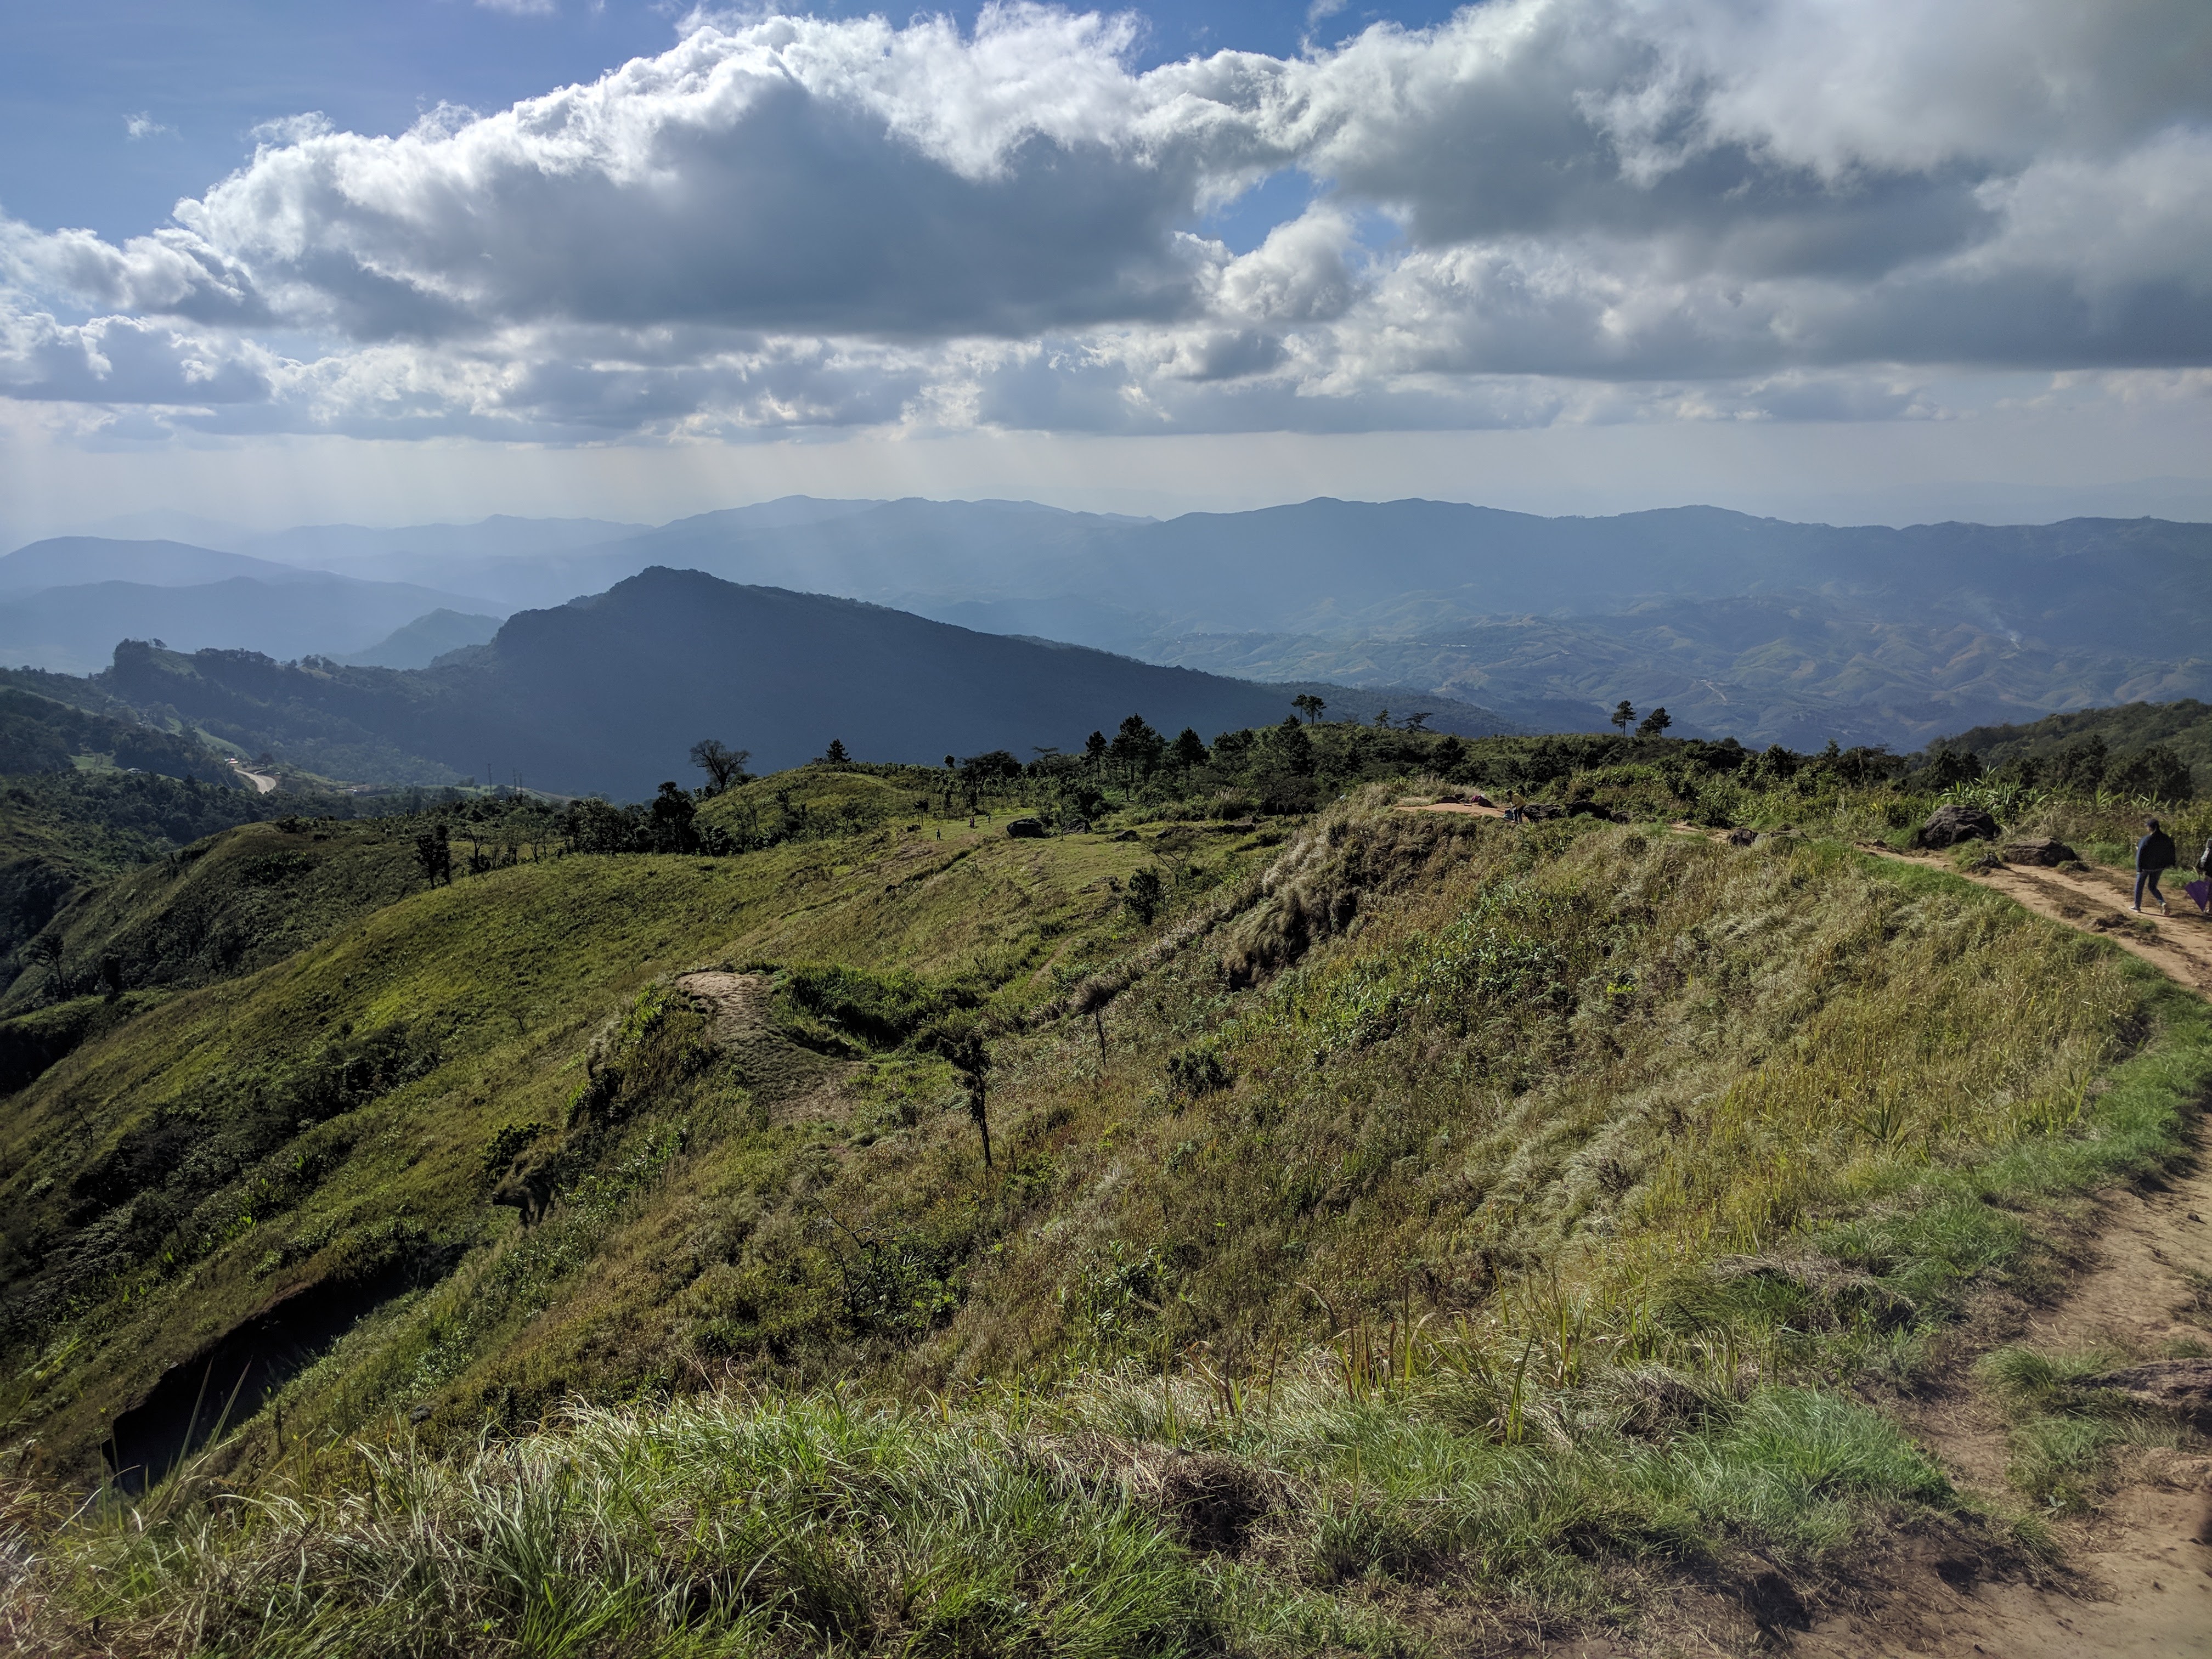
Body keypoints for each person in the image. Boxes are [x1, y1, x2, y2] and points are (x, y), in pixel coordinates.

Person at [2134, 816, 2177, 912]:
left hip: (2145, 868)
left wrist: (2139, 868)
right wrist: (2172, 863)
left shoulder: (2146, 839)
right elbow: (2172, 850)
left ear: (2150, 828)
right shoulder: (2166, 838)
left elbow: (2140, 853)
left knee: (2139, 886)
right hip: (2159, 867)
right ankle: (2162, 902)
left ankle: (2137, 907)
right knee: (2152, 887)